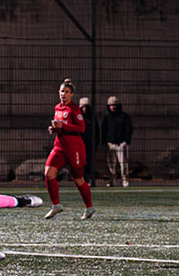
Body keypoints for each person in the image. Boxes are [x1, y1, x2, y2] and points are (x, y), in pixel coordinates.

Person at [42, 78, 95, 219]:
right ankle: (56, 206)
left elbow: (81, 128)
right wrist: (53, 129)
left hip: (74, 149)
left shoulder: (74, 109)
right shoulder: (57, 107)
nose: (63, 94)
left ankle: (89, 207)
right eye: (61, 91)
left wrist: (63, 126)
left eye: (66, 92)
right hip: (59, 148)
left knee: (78, 180)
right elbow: (59, 125)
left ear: (71, 94)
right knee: (49, 174)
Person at [102, 95, 133, 187]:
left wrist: (126, 141)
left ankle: (124, 179)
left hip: (121, 143)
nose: (113, 107)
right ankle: (112, 180)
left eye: (114, 105)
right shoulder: (107, 117)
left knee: (123, 163)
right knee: (111, 164)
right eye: (111, 105)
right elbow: (104, 130)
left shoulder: (124, 116)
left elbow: (129, 129)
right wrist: (104, 142)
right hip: (110, 143)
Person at [77, 95, 98, 186]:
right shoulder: (77, 118)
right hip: (80, 143)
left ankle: (89, 178)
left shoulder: (92, 118)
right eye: (83, 107)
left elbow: (96, 131)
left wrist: (96, 142)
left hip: (90, 144)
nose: (85, 109)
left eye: (86, 107)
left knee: (90, 162)